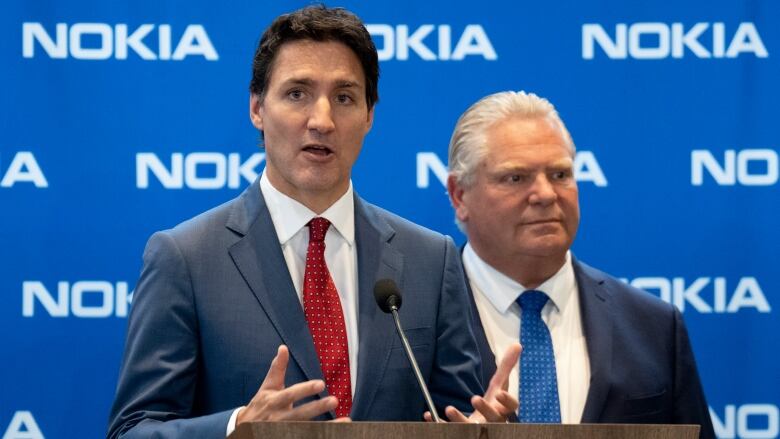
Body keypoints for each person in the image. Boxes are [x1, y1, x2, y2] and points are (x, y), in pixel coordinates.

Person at [108, 6, 516, 438]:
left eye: (344, 98)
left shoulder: (430, 260)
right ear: (257, 108)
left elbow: (458, 414)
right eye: (297, 93)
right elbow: (132, 430)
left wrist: (482, 429)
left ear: (369, 115)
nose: (321, 121)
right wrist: (236, 427)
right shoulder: (186, 259)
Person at [446, 91, 716, 438]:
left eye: (560, 174)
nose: (545, 194)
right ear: (459, 195)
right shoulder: (408, 321)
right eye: (516, 178)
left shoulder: (654, 326)